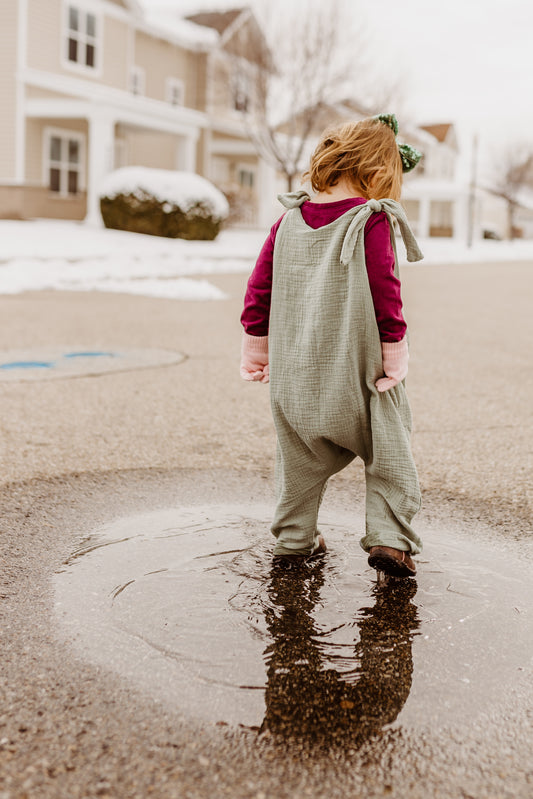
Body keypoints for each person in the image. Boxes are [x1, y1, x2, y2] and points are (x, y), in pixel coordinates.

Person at [240, 114, 423, 578]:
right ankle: (389, 541)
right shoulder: (370, 220)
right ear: (381, 171)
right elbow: (385, 289)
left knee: (297, 463)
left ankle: (294, 538)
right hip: (359, 382)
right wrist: (395, 353)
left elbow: (259, 288)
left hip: (297, 381)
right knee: (389, 453)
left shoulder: (288, 221)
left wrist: (256, 350)